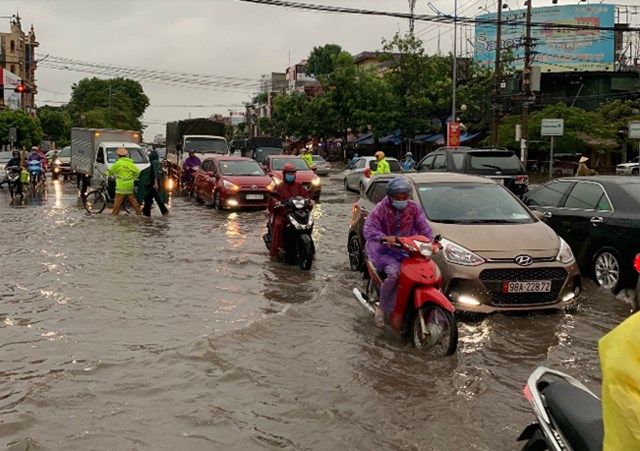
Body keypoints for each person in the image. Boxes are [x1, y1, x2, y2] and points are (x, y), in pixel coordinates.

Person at [363, 176, 433, 327]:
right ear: (390, 196)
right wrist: (383, 237)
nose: (402, 199)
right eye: (398, 196)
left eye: (405, 196)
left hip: (407, 249)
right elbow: (369, 228)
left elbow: (424, 226)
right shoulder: (381, 208)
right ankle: (382, 308)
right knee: (395, 273)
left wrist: (431, 243)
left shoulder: (414, 208)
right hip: (383, 250)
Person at [267, 163, 310, 258]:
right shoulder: (279, 187)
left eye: (292, 173)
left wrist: (309, 202)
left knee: (308, 224)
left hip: (297, 213)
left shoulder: (299, 186)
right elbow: (273, 197)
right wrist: (276, 203)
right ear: (284, 174)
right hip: (283, 214)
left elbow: (306, 197)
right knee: (278, 224)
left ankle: (311, 249)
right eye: (289, 173)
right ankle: (277, 249)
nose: (291, 175)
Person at [105, 147, 142, 216]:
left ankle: (114, 215)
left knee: (117, 202)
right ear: (126, 155)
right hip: (129, 185)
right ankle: (139, 213)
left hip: (121, 186)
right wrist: (133, 178)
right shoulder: (130, 163)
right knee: (133, 200)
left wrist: (106, 173)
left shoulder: (117, 164)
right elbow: (137, 172)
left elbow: (111, 172)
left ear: (118, 155)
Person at [137, 150, 169, 217]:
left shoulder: (154, 163)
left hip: (153, 186)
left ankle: (147, 215)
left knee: (150, 200)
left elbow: (155, 173)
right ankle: (148, 214)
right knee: (152, 200)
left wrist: (155, 183)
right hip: (154, 186)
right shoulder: (158, 163)